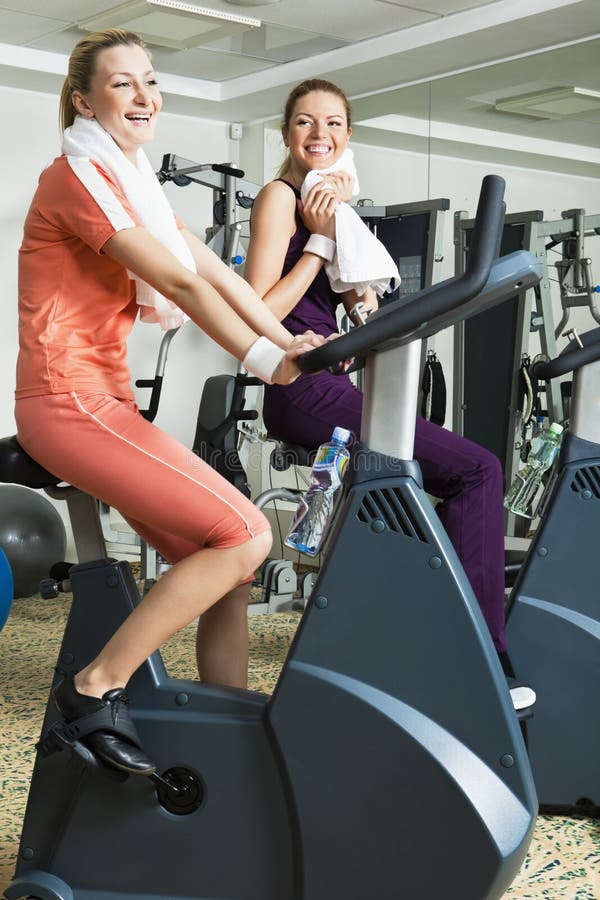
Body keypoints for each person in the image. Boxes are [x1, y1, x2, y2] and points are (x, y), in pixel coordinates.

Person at [14, 30, 326, 777]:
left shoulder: (134, 185)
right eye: (123, 85)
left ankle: (234, 728)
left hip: (105, 400)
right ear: (85, 101)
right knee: (248, 533)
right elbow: (183, 288)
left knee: (227, 562)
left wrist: (292, 339)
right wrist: (262, 361)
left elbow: (217, 276)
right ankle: (95, 688)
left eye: (151, 82)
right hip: (66, 399)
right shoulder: (76, 177)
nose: (145, 97)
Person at [243, 78, 515, 674]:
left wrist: (359, 304)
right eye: (306, 122)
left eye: (334, 123)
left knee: (415, 488)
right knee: (479, 470)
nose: (320, 135)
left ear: (348, 135)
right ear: (287, 132)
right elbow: (255, 305)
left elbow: (360, 314)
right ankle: (478, 653)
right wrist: (318, 243)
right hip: (298, 387)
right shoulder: (279, 198)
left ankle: (418, 626)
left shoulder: (330, 207)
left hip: (328, 381)